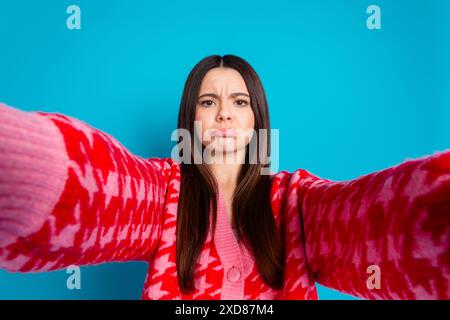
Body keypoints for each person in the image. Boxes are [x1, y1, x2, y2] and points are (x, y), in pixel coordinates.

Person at [0, 55, 448, 300]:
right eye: (208, 101)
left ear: (257, 119)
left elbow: (376, 223)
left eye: (239, 102)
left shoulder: (297, 203)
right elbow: (94, 186)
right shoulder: (161, 195)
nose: (224, 115)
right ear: (190, 118)